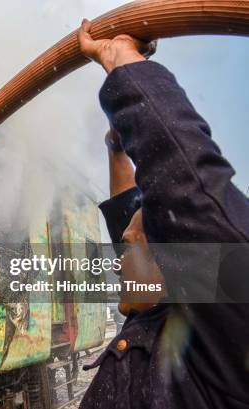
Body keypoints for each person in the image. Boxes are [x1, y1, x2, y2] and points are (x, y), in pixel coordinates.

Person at [77, 18, 249, 408]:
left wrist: (122, 60)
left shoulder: (214, 347)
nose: (119, 262)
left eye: (129, 247)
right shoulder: (156, 318)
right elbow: (133, 217)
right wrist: (117, 150)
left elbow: (187, 187)